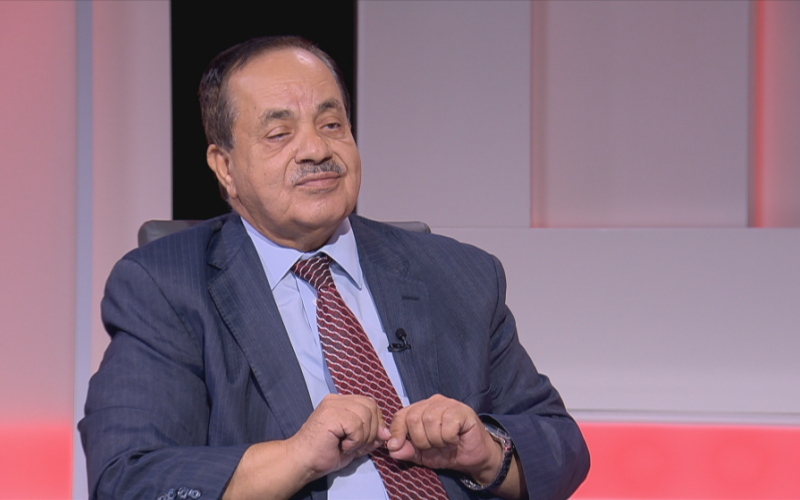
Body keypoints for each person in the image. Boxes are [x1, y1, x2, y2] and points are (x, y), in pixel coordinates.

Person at [79, 36, 589, 500]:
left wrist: (487, 451)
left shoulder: (460, 275)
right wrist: (296, 457)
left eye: (332, 125)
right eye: (279, 133)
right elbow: (129, 480)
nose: (317, 149)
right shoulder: (164, 287)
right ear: (225, 167)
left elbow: (561, 447)